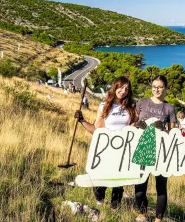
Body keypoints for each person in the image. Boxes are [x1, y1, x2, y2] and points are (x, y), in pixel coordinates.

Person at [74, 76, 137, 211]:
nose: (123, 91)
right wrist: (82, 120)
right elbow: (96, 130)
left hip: (123, 149)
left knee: (119, 180)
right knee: (100, 178)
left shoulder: (131, 107)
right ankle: (99, 200)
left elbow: (135, 126)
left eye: (126, 89)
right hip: (106, 147)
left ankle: (115, 208)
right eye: (121, 87)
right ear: (115, 87)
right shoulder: (104, 106)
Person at [132, 75, 176, 222]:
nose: (157, 89)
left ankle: (158, 219)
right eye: (154, 86)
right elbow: (133, 123)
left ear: (165, 88)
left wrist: (163, 129)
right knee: (140, 185)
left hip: (161, 153)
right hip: (142, 149)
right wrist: (138, 125)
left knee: (161, 187)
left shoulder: (169, 108)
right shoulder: (142, 102)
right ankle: (143, 214)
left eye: (160, 87)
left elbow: (173, 134)